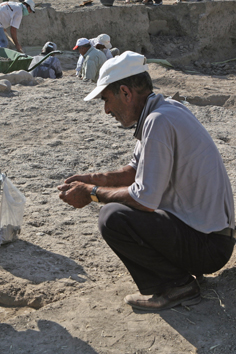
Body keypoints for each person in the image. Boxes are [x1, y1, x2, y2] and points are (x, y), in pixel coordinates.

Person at [58, 51, 235, 311]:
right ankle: (179, 277)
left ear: (126, 93)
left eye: (106, 100)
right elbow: (132, 172)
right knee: (119, 208)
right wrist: (90, 179)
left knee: (113, 217)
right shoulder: (163, 111)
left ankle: (177, 285)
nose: (106, 110)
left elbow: (144, 198)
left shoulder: (158, 121)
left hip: (209, 247)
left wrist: (92, 193)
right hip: (212, 239)